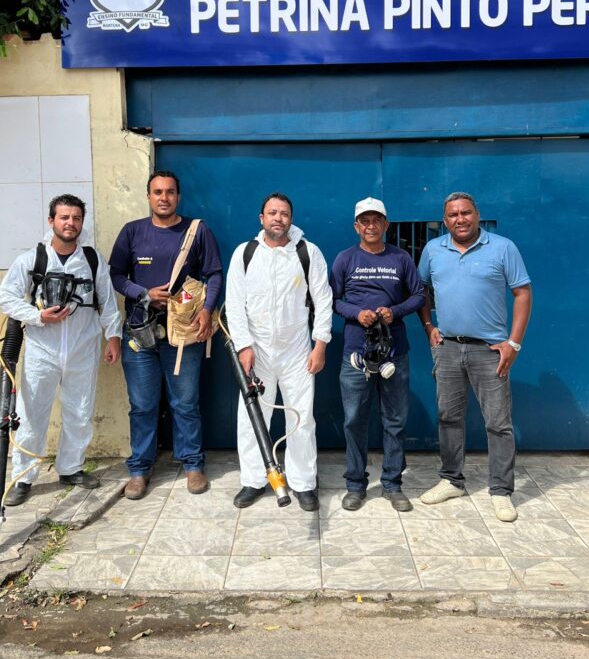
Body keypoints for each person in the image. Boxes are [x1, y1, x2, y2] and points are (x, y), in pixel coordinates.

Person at [0, 194, 122, 506]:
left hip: (84, 347)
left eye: (76, 218)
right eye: (64, 217)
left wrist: (114, 337)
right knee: (31, 414)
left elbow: (107, 302)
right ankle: (23, 477)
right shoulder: (33, 260)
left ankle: (71, 468)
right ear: (51, 221)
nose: (71, 223)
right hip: (43, 349)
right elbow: (7, 297)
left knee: (80, 411)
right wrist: (38, 316)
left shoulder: (91, 259)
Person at [417, 191, 532, 523]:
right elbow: (421, 289)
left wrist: (514, 343)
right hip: (448, 348)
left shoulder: (502, 247)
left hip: (489, 350)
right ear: (445, 220)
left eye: (465, 213)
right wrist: (429, 327)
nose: (460, 219)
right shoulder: (433, 250)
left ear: (477, 215)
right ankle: (452, 480)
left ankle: (500, 491)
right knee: (448, 417)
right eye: (452, 215)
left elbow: (522, 292)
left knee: (498, 423)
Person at [110, 170, 223, 499]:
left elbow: (214, 274)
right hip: (138, 331)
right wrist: (142, 292)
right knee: (142, 405)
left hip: (183, 333)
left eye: (170, 192)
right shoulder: (132, 232)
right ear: (148, 196)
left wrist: (206, 310)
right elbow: (116, 274)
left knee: (185, 403)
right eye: (157, 192)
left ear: (178, 196)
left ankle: (192, 464)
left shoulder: (196, 232)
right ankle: (139, 471)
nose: (164, 197)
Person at [225, 193, 333, 511]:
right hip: (256, 351)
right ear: (261, 218)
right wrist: (244, 346)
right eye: (272, 212)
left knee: (301, 418)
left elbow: (324, 301)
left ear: (291, 218)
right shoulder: (245, 254)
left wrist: (320, 345)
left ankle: (303, 483)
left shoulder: (307, 252)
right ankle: (255, 480)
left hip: (297, 351)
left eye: (284, 213)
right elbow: (234, 304)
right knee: (252, 417)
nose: (278, 218)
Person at [330, 198, 425, 512]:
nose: (371, 226)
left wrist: (393, 311)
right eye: (364, 221)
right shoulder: (345, 259)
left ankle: (392, 484)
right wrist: (358, 314)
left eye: (377, 221)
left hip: (394, 352)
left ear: (386, 225)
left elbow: (419, 295)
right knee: (354, 419)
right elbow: (332, 300)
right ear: (357, 226)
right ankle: (355, 485)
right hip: (355, 354)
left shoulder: (401, 258)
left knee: (395, 421)